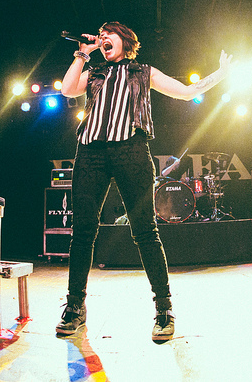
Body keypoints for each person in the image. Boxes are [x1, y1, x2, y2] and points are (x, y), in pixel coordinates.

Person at [57, 21, 232, 341]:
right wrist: (83, 54)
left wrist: (220, 74)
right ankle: (75, 307)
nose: (102, 38)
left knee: (145, 231)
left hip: (131, 150)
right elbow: (67, 89)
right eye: (100, 35)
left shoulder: (143, 71)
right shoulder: (94, 72)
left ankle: (164, 309)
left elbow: (187, 92)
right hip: (91, 152)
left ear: (125, 40)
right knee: (82, 231)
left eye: (108, 34)